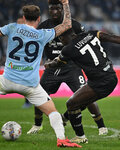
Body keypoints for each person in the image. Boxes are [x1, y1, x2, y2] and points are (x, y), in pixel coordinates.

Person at [0, 0, 81, 148]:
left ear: (23, 17)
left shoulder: (12, 27)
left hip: (6, 80)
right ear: (39, 19)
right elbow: (67, 24)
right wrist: (65, 4)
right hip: (29, 85)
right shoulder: (43, 34)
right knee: (53, 112)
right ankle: (61, 139)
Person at [45, 29, 120, 143]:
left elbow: (58, 62)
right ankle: (65, 118)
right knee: (80, 102)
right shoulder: (91, 34)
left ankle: (80, 137)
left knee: (71, 103)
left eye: (61, 38)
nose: (61, 41)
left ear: (63, 38)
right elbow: (111, 37)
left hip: (100, 81)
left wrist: (49, 64)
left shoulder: (68, 49)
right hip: (110, 76)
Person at [26, 0, 108, 139]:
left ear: (62, 9)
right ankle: (37, 125)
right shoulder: (44, 26)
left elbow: (85, 40)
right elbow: (37, 45)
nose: (55, 11)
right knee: (38, 95)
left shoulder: (74, 25)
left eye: (58, 8)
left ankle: (101, 126)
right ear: (49, 10)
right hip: (52, 68)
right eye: (52, 9)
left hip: (72, 67)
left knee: (85, 96)